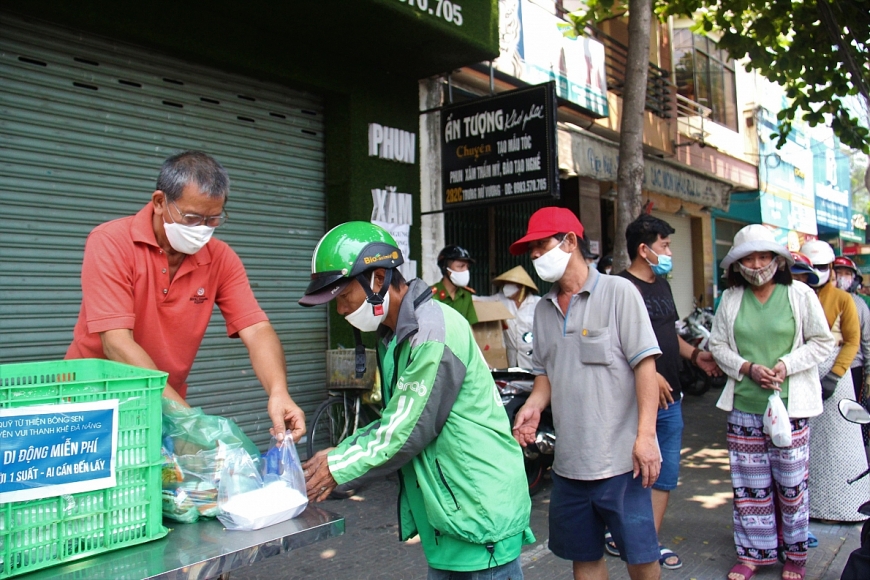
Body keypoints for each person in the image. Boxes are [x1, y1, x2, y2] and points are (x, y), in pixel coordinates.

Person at [299, 222, 534, 579]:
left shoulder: (431, 334)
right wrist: (339, 454)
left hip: (478, 511)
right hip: (451, 515)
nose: (341, 310)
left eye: (343, 297)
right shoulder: (395, 336)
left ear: (377, 279)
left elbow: (407, 431)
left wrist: (339, 465)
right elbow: (398, 417)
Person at [65, 151, 304, 442]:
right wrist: (187, 420)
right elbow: (116, 342)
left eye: (213, 219)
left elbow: (256, 329)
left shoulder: (221, 259)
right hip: (89, 402)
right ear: (159, 202)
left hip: (162, 405)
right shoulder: (111, 242)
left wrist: (279, 391)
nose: (201, 230)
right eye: (191, 218)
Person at [510, 207, 663, 580]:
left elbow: (645, 367)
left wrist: (646, 436)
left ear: (570, 241)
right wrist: (533, 404)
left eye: (540, 246)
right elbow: (545, 372)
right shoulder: (543, 310)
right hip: (569, 465)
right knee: (584, 557)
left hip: (622, 462)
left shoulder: (618, 292)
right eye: (529, 251)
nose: (534, 257)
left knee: (640, 556)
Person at [710, 225, 834, 580]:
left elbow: (822, 342)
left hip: (790, 407)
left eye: (764, 256)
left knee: (791, 486)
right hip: (745, 407)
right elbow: (718, 346)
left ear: (778, 260)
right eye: (749, 257)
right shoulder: (731, 300)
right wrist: (746, 368)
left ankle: (795, 555)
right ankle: (753, 554)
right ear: (737, 264)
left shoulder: (800, 295)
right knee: (749, 487)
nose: (757, 263)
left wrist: (785, 365)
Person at [609, 214, 721, 571]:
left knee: (665, 473)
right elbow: (614, 344)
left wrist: (695, 355)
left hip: (674, 398)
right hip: (639, 403)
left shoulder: (662, 284)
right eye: (665, 245)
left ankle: (647, 542)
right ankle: (622, 535)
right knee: (634, 472)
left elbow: (668, 333)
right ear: (644, 249)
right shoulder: (619, 289)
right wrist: (649, 373)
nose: (670, 250)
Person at [800, 239, 870, 524]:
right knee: (804, 446)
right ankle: (806, 506)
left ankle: (843, 508)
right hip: (801, 376)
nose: (817, 272)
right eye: (810, 267)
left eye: (821, 267)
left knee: (840, 446)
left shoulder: (845, 300)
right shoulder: (794, 295)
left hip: (836, 379)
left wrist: (835, 374)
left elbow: (853, 341)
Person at [475, 266, 541, 369]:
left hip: (533, 359)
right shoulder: (500, 300)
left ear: (521, 287)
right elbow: (479, 301)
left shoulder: (537, 303)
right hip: (511, 359)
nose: (506, 287)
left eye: (510, 284)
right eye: (505, 284)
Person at [833, 256, 870, 402]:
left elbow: (867, 340)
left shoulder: (860, 304)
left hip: (853, 367)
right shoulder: (818, 299)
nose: (842, 277)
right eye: (839, 272)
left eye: (847, 274)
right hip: (827, 366)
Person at [431, 245, 478, 325]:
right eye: (460, 266)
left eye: (467, 267)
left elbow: (470, 328)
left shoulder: (466, 295)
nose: (465, 271)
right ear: (445, 268)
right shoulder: (431, 295)